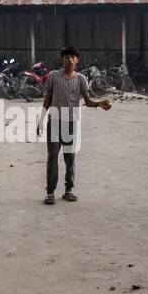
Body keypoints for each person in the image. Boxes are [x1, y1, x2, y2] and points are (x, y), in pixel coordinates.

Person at [38, 46, 111, 205]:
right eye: (66, 57)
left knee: (69, 158)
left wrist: (98, 104)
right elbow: (48, 99)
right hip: (55, 122)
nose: (69, 59)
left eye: (72, 57)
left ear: (77, 60)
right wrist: (41, 120)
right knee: (52, 157)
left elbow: (88, 101)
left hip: (71, 123)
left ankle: (68, 190)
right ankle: (50, 192)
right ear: (61, 59)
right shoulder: (53, 77)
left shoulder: (81, 79)